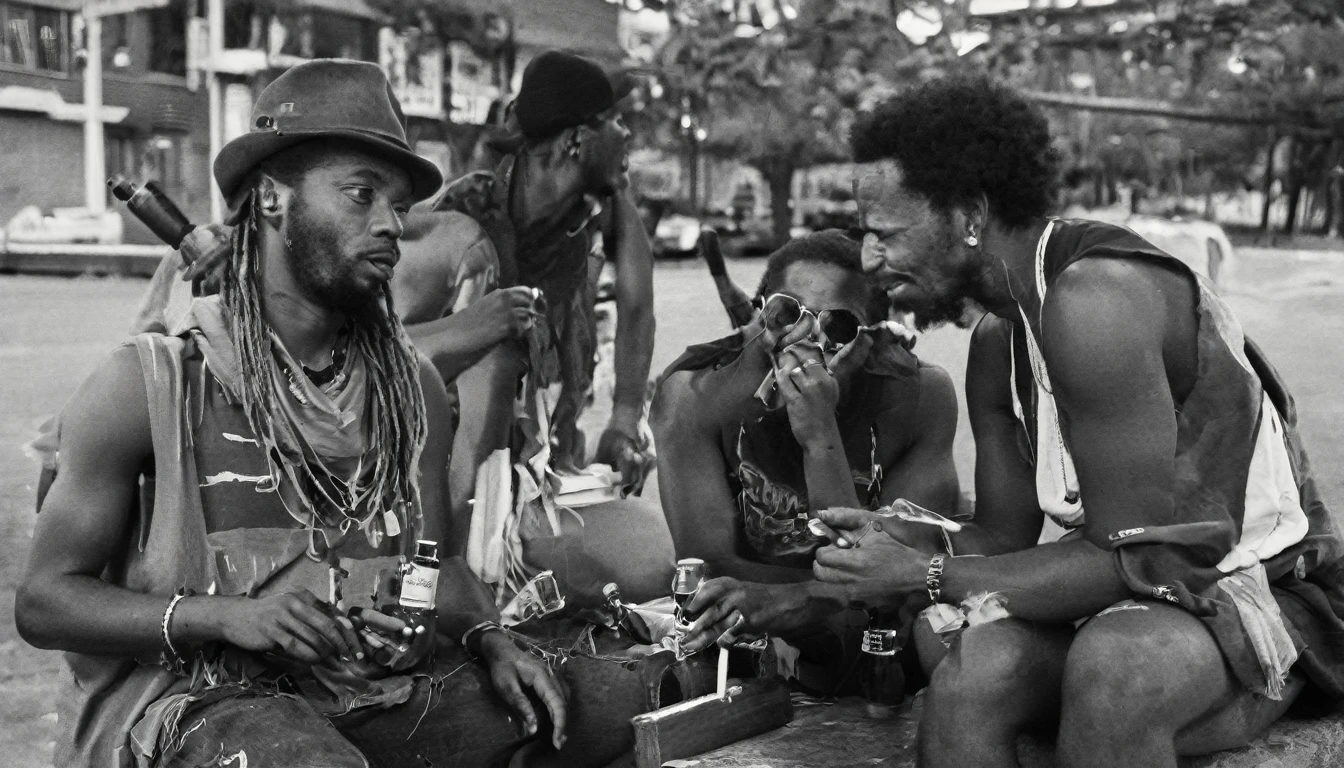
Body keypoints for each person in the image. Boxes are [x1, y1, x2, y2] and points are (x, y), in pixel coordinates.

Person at [15, 60, 641, 768]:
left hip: (362, 699)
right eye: (361, 194)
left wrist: (477, 635)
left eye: (396, 204)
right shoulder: (149, 384)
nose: (391, 224)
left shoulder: (414, 391)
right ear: (275, 200)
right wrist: (225, 616)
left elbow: (436, 571)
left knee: (621, 695)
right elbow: (43, 602)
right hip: (197, 707)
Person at [793, 75, 1344, 767]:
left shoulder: (1095, 302)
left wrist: (919, 574)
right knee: (975, 669)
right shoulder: (1000, 340)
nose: (870, 261)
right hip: (1138, 585)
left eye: (885, 235)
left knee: (1117, 671)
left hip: (1255, 586)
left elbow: (1139, 557)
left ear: (969, 213)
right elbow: (1002, 532)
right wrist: (893, 535)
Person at [653, 231, 960, 688]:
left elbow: (892, 578)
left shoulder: (916, 398)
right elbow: (708, 565)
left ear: (871, 339)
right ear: (759, 316)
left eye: (837, 326)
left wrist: (821, 436)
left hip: (875, 637)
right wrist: (815, 600)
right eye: (786, 313)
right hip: (750, 633)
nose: (807, 338)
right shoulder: (697, 396)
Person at [394, 49, 657, 527]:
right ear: (577, 139)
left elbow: (636, 308)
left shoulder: (602, 208)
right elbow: (392, 351)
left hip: (543, 467)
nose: (627, 134)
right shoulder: (464, 215)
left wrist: (624, 420)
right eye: (616, 121)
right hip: (439, 469)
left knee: (645, 546)